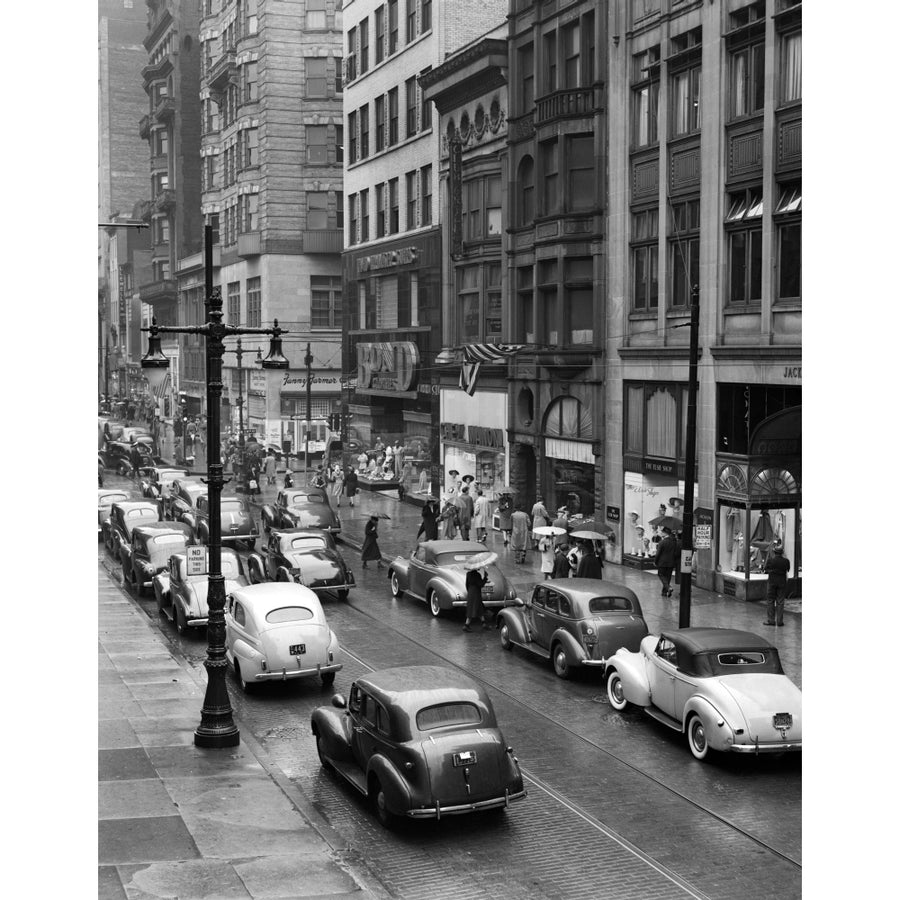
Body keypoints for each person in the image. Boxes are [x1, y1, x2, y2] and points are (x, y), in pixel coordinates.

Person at [763, 544, 791, 626]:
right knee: (780, 601)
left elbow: (765, 569)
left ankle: (771, 620)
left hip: (772, 582)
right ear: (782, 553)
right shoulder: (786, 561)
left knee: (770, 600)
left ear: (774, 552)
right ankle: (779, 621)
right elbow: (788, 569)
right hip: (782, 582)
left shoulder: (770, 560)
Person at [463, 566, 489, 631]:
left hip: (470, 592)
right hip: (476, 593)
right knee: (474, 608)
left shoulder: (468, 574)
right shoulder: (477, 575)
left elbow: (466, 584)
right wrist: (485, 577)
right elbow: (481, 584)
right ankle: (466, 626)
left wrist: (469, 591)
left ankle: (484, 624)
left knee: (478, 608)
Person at [655, 526, 678, 597]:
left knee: (661, 575)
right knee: (667, 577)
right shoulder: (674, 542)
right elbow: (675, 552)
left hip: (662, 562)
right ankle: (664, 592)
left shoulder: (662, 542)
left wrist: (655, 562)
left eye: (662, 532)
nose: (661, 533)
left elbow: (658, 553)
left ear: (665, 533)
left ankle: (668, 587)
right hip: (671, 563)